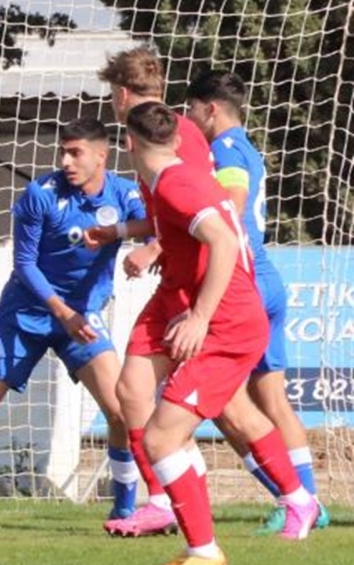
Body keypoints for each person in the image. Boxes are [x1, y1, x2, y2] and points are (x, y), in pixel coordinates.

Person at [0, 118, 145, 537]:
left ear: (101, 155)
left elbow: (163, 226)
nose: (65, 161)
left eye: (75, 153)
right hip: (26, 314)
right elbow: (24, 264)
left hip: (83, 317)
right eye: (62, 152)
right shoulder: (41, 193)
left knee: (121, 411)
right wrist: (62, 312)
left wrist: (148, 249)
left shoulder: (125, 194)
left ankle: (125, 506)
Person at [122, 101, 317, 565]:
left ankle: (208, 547)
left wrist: (200, 317)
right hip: (187, 302)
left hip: (228, 324)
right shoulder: (171, 179)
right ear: (176, 138)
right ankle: (192, 520)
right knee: (141, 397)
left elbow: (225, 241)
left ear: (128, 142)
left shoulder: (176, 184)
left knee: (164, 437)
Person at [184, 69, 327, 532]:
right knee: (272, 400)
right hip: (267, 279)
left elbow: (233, 202)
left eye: (191, 109)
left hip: (243, 283)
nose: (188, 118)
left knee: (223, 404)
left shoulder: (224, 148)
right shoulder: (245, 145)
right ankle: (308, 501)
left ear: (210, 109)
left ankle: (293, 499)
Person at [87, 46, 217, 536]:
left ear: (121, 94)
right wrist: (122, 233)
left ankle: (296, 499)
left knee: (236, 412)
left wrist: (155, 247)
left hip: (198, 286)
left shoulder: (176, 134)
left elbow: (204, 209)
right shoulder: (156, 133)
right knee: (132, 391)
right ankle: (166, 500)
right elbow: (170, 212)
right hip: (176, 282)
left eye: (111, 95)